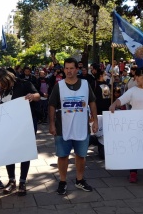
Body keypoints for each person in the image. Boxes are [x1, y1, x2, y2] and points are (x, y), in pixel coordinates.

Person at [48, 58, 98, 195]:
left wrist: (96, 121)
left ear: (77, 69)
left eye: (71, 68)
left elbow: (92, 102)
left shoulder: (85, 84)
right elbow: (52, 105)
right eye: (66, 68)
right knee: (63, 156)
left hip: (82, 127)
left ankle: (79, 180)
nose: (69, 71)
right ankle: (62, 182)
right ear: (63, 69)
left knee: (81, 156)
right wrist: (51, 124)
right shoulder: (59, 86)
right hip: (62, 127)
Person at [0, 68, 40, 196]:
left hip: (26, 124)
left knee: (25, 152)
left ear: (5, 79)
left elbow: (38, 95)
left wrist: (32, 96)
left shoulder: (24, 84)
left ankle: (22, 181)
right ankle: (12, 181)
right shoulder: (4, 89)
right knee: (9, 152)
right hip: (9, 126)